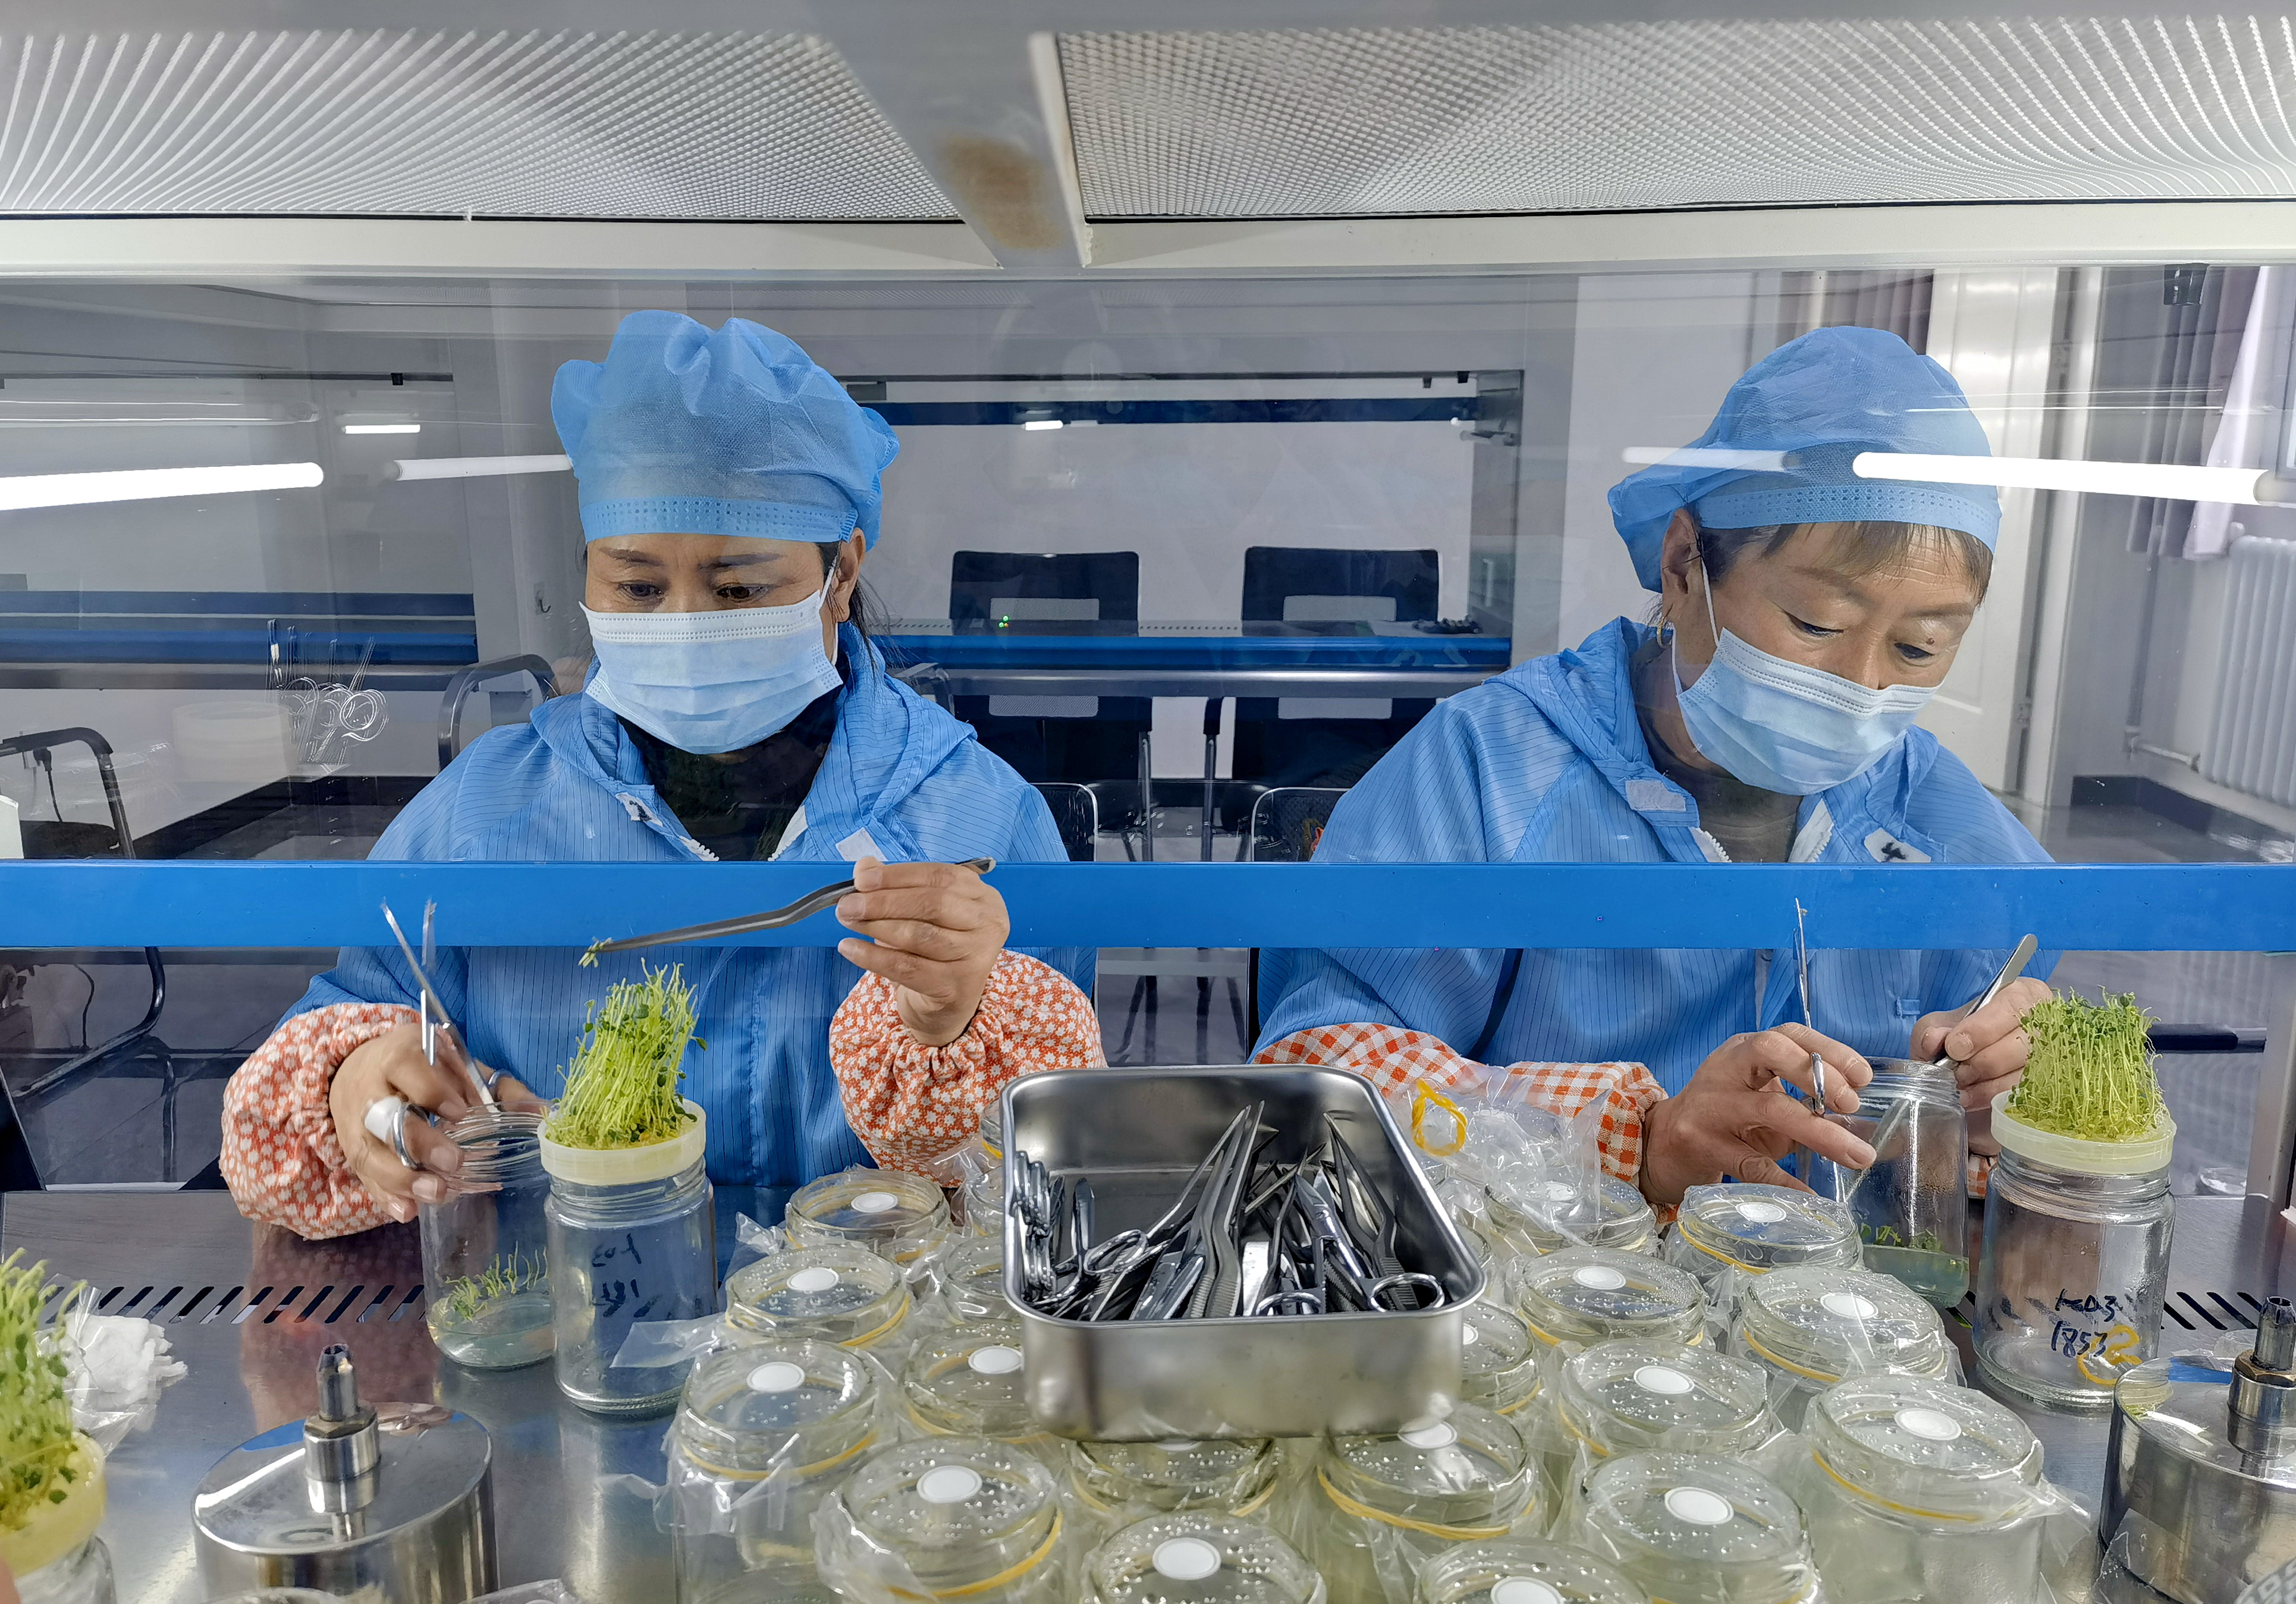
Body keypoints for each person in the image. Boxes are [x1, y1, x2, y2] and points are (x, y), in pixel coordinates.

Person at [221, 312, 1103, 1240]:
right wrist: (357, 1076)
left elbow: (1052, 1174)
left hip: (870, 1311)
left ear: (840, 573)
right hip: (566, 1297)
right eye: (638, 587)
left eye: (738, 587)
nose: (684, 624)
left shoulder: (979, 819)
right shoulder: (482, 814)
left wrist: (957, 1023)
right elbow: (359, 1015)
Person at [1254, 327, 2054, 1203]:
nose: (1861, 685)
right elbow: (1317, 1069)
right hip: (1553, 1275)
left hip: (1844, 1288)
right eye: (1816, 624)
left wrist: (2008, 1097)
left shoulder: (1932, 813)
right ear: (1683, 563)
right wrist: (1635, 1138)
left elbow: (2025, 1074)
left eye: (1918, 646)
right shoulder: (1492, 768)